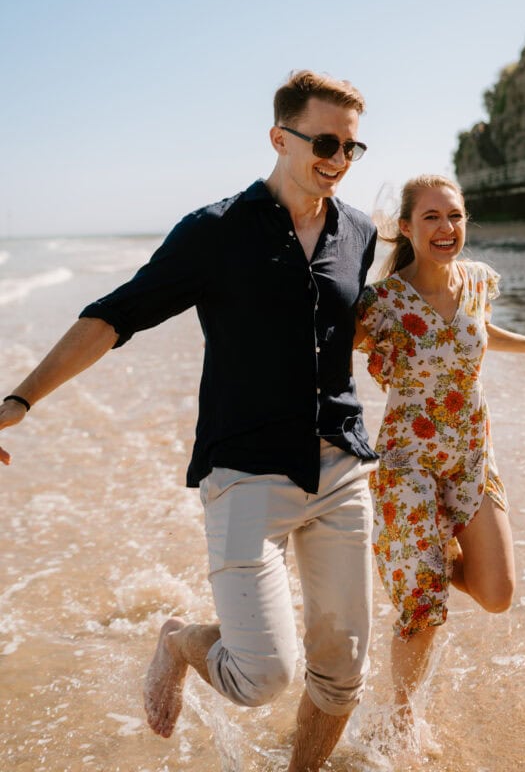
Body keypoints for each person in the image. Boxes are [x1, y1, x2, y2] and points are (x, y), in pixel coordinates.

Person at [0, 69, 380, 772]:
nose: (339, 158)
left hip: (341, 468)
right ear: (279, 137)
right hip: (245, 470)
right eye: (326, 140)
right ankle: (179, 641)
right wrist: (19, 401)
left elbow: (344, 330)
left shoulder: (359, 231)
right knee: (263, 676)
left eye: (353, 147)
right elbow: (117, 315)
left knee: (343, 671)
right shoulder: (214, 232)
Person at [354, 174, 525, 749]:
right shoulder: (383, 302)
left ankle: (424, 559)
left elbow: (479, 330)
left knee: (498, 593)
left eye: (454, 216)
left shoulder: (476, 280)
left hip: (471, 454)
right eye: (431, 217)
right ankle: (400, 718)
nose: (446, 228)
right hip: (408, 462)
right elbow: (323, 344)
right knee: (423, 607)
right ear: (406, 228)